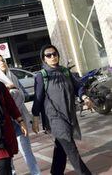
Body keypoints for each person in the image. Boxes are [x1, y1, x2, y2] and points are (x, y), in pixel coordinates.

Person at [32, 45, 92, 175]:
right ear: (44, 59)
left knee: (61, 145)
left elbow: (77, 87)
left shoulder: (65, 71)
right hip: (54, 117)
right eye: (49, 55)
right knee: (71, 148)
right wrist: (35, 118)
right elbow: (38, 98)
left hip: (68, 114)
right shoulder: (42, 76)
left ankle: (56, 172)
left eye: (54, 54)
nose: (52, 57)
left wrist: (85, 96)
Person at [0, 54, 41, 175]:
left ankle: (36, 173)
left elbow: (24, 95)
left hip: (19, 118)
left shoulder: (12, 76)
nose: (2, 63)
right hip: (6, 122)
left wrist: (15, 92)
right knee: (8, 153)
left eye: (3, 60)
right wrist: (7, 89)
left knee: (26, 149)